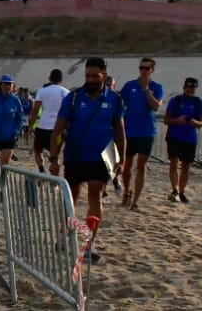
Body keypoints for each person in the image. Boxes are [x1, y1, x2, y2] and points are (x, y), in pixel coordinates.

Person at [48, 57, 126, 230]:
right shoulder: (73, 98)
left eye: (94, 76)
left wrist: (122, 158)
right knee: (71, 196)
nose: (90, 80)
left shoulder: (115, 100)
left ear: (104, 75)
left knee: (95, 194)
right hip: (75, 154)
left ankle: (90, 241)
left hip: (100, 156)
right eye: (87, 76)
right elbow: (58, 131)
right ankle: (65, 232)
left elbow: (120, 132)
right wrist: (54, 158)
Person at [118, 57, 164, 209]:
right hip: (129, 131)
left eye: (146, 68)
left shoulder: (156, 87)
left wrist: (146, 91)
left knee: (141, 166)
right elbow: (119, 103)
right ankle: (126, 191)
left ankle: (136, 201)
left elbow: (156, 106)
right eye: (141, 68)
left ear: (152, 70)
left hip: (146, 131)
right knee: (126, 165)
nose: (143, 71)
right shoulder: (129, 85)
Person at [163, 77, 202, 203]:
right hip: (174, 136)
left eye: (192, 88)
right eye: (188, 87)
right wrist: (178, 120)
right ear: (184, 87)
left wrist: (195, 122)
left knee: (186, 166)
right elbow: (166, 120)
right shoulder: (175, 100)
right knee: (174, 162)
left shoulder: (198, 103)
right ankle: (174, 190)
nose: (190, 90)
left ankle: (181, 191)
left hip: (190, 138)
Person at [31, 68, 71, 172]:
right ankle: (55, 183)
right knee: (55, 156)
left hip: (43, 126)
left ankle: (41, 170)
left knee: (37, 150)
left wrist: (32, 125)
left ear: (49, 78)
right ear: (61, 80)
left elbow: (36, 109)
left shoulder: (42, 91)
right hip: (58, 128)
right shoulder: (66, 92)